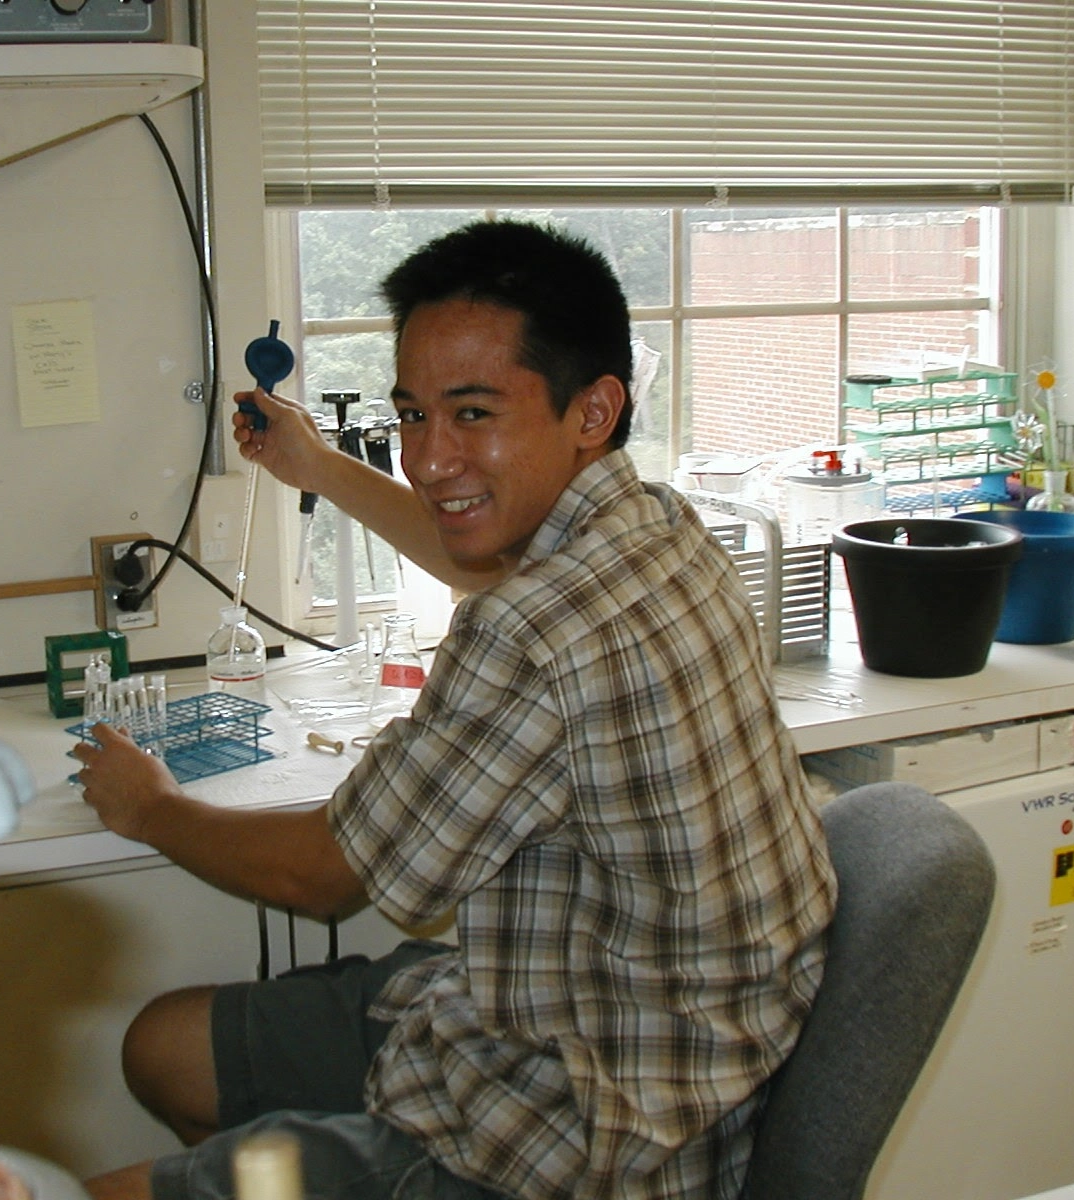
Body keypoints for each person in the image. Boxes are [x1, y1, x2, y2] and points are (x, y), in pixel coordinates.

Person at [73, 220, 836, 1200]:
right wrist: (315, 469)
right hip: (611, 1031)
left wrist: (148, 808)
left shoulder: (533, 634)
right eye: (413, 415)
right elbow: (482, 558)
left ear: (591, 409)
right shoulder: (664, 528)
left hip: (581, 1135)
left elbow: (318, 877)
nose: (429, 459)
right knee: (166, 1049)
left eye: (472, 414)